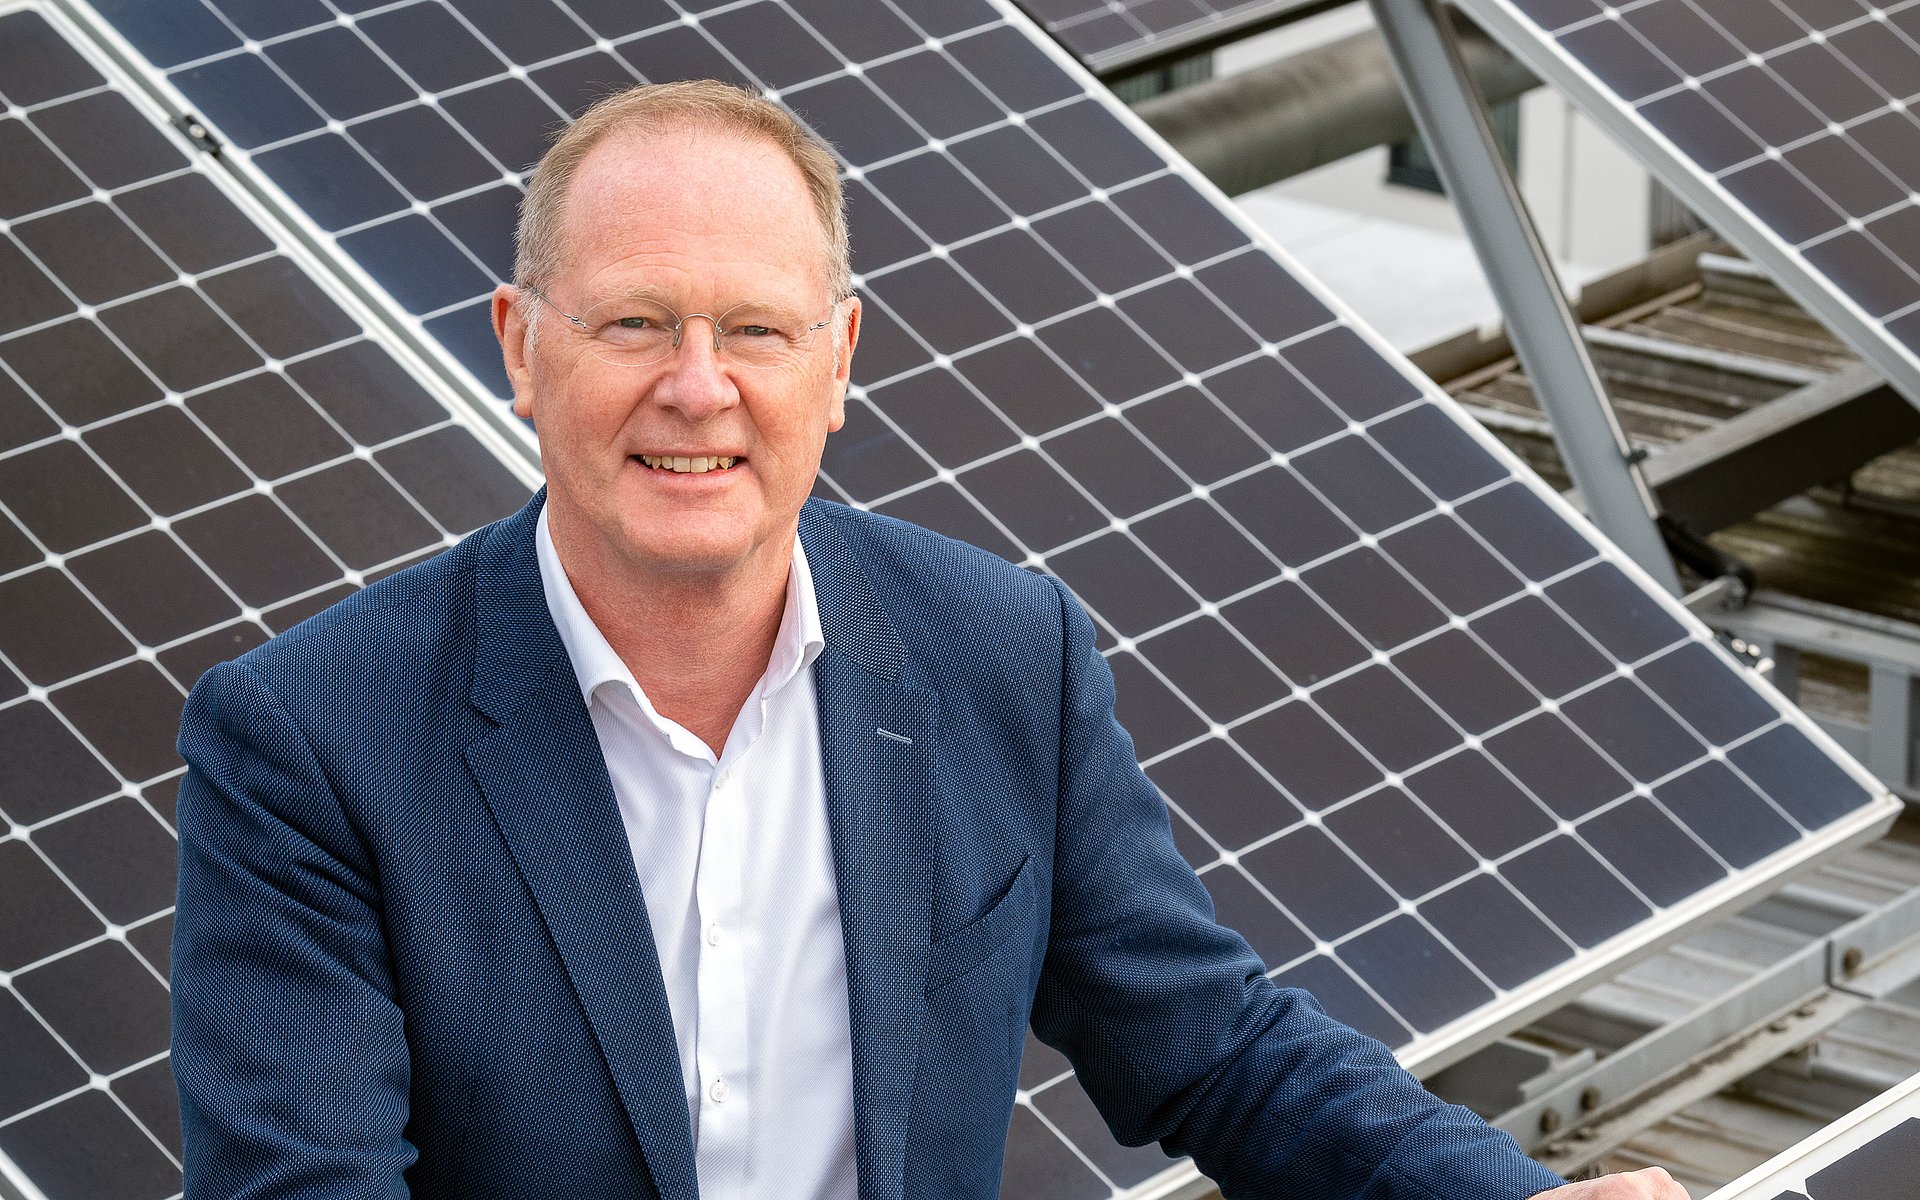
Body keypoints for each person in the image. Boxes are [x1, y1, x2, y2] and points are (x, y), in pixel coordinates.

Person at [172, 81, 1688, 1200]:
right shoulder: (312, 739)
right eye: (634, 324)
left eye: (755, 331)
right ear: (519, 344)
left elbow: (1212, 1047)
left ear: (836, 362)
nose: (698, 390)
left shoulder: (998, 652)